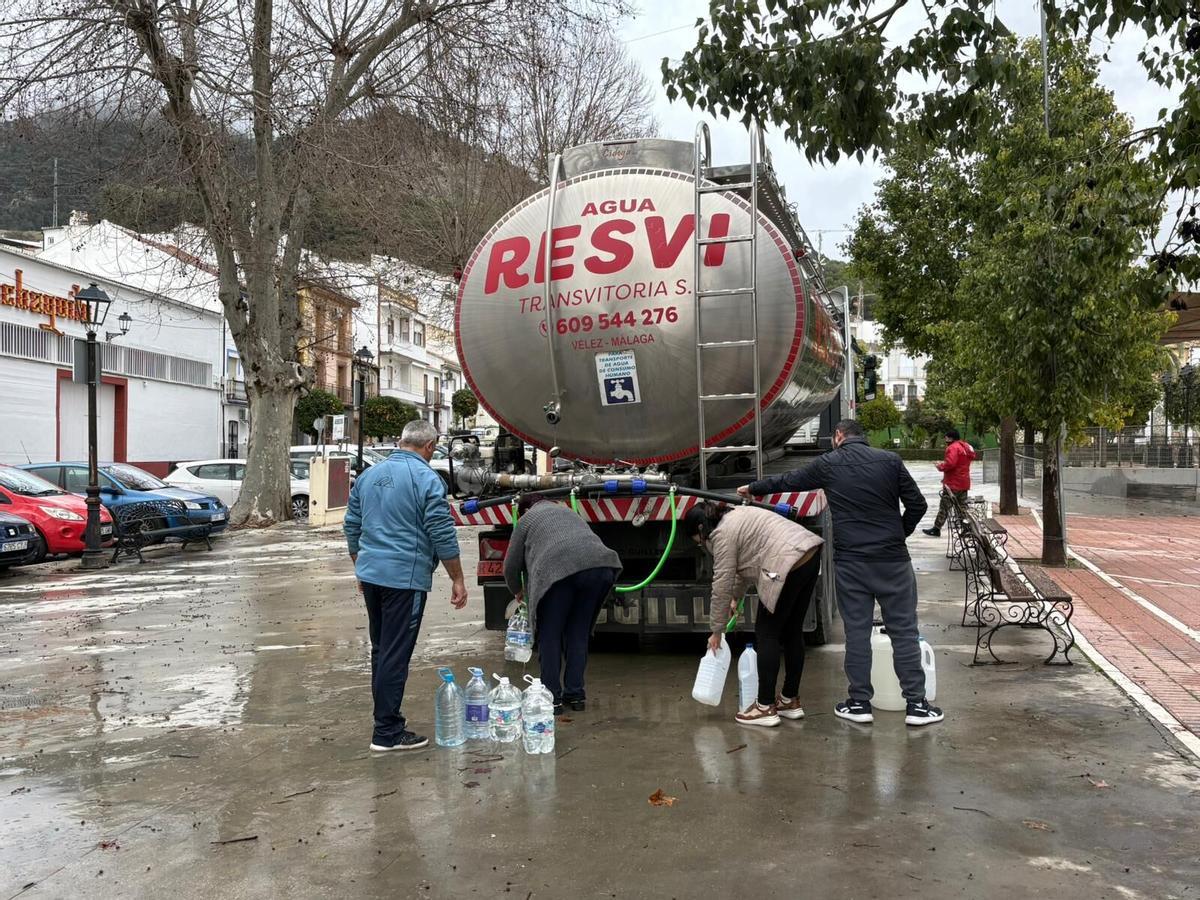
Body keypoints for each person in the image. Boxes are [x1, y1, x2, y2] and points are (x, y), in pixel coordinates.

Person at [739, 419, 944, 726]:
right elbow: (918, 504)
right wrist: (899, 532)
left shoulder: (828, 464)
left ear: (838, 437)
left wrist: (753, 488)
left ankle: (859, 703)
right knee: (903, 631)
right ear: (863, 437)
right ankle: (916, 705)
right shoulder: (890, 460)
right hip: (893, 562)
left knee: (858, 633)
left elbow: (789, 481)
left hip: (852, 564)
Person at [344, 419, 468, 752]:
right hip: (404, 579)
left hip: (372, 576)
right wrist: (457, 577)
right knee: (395, 654)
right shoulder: (427, 478)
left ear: (402, 442)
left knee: (382, 650)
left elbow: (351, 526)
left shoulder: (368, 476)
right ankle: (387, 732)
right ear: (430, 446)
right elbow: (442, 533)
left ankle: (384, 724)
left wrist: (361, 567)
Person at [684, 502, 823, 727]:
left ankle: (765, 706)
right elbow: (741, 568)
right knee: (791, 630)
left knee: (767, 632)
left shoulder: (721, 534)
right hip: (809, 553)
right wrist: (736, 599)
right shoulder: (737, 515)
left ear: (701, 529)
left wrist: (716, 631)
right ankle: (789, 700)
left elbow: (722, 582)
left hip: (786, 561)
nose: (703, 545)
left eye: (699, 541)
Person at [503, 494, 622, 715]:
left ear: (525, 510)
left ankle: (552, 698)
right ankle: (575, 695)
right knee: (578, 634)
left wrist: (517, 591)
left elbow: (510, 566)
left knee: (550, 635)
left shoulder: (527, 519)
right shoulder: (569, 512)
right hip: (600, 568)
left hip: (558, 573)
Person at [922, 429, 976, 537]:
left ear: (950, 438)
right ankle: (967, 529)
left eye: (946, 437)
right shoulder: (965, 446)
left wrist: (940, 466)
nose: (945, 439)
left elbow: (950, 463)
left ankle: (936, 528)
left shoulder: (952, 448)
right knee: (962, 507)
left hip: (953, 483)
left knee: (945, 506)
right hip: (964, 482)